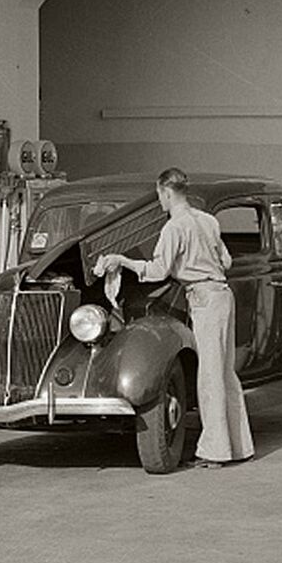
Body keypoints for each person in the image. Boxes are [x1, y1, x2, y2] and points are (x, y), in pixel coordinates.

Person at [94, 168, 253, 468]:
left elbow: (158, 270)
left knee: (209, 376)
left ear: (166, 192)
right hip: (222, 294)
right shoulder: (209, 221)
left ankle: (215, 452)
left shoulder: (174, 228)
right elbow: (227, 261)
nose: (161, 203)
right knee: (225, 372)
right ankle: (239, 446)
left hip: (204, 299)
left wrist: (122, 261)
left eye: (160, 197)